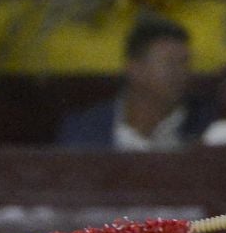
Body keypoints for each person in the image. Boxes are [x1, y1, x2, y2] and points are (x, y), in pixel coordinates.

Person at [56, 15, 215, 149]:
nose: (181, 73)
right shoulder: (86, 130)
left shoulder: (208, 128)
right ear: (135, 69)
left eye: (185, 63)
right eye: (170, 63)